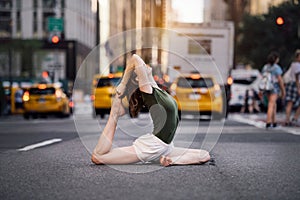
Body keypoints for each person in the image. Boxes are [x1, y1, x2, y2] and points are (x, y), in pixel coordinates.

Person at [91, 54, 211, 166]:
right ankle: (114, 113)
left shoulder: (155, 88)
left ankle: (170, 161)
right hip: (152, 146)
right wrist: (123, 84)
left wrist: (172, 158)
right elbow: (135, 58)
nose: (145, 66)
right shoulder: (147, 90)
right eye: (142, 67)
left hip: (166, 146)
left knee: (204, 155)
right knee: (98, 157)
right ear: (139, 79)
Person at [260, 51, 285, 129]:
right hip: (274, 88)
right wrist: (283, 90)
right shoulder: (276, 68)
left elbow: (262, 77)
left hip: (267, 87)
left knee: (273, 104)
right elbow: (280, 80)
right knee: (271, 104)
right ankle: (268, 121)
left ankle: (274, 121)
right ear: (276, 59)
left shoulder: (265, 67)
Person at [284, 50, 300, 126]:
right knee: (290, 103)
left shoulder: (293, 64)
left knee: (290, 103)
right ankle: (294, 118)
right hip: (295, 84)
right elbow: (297, 78)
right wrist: (298, 88)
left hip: (291, 84)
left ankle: (289, 119)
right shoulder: (297, 65)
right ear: (297, 57)